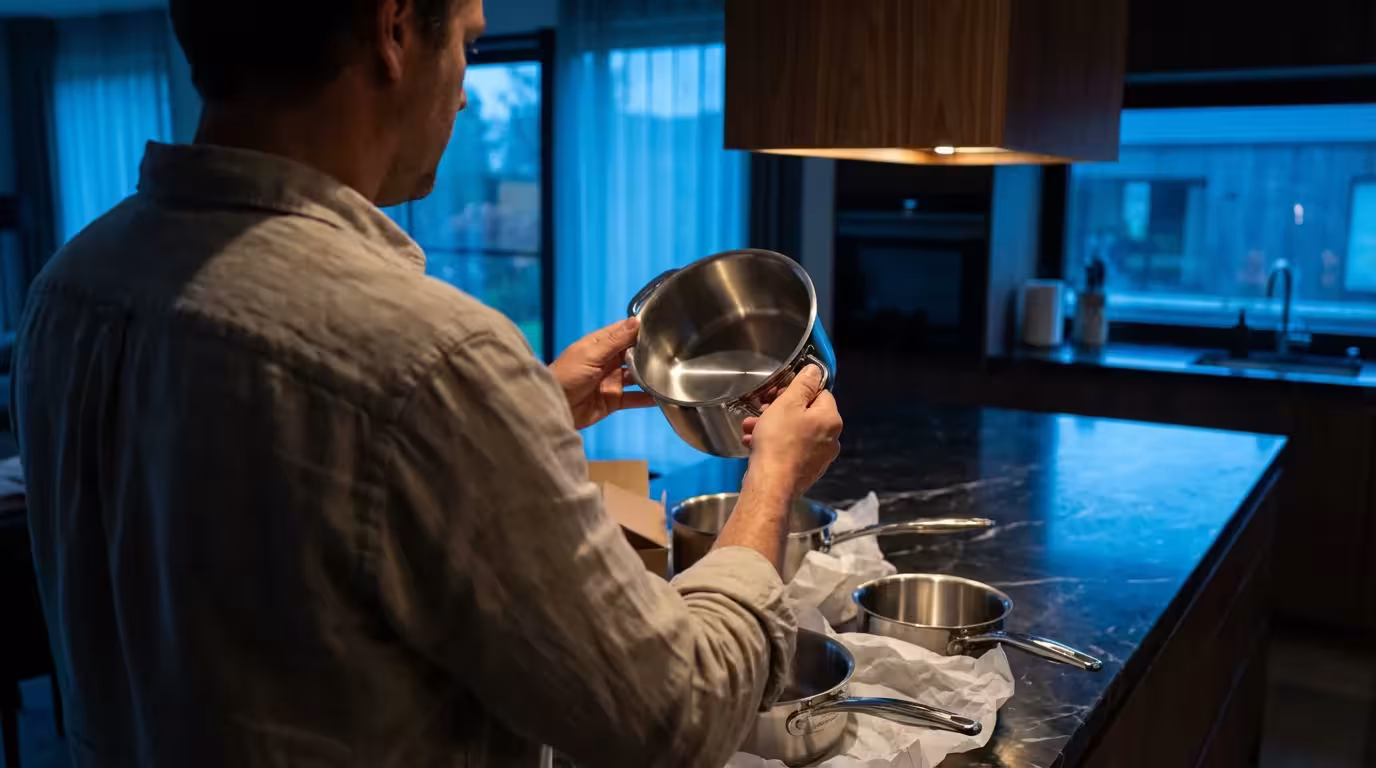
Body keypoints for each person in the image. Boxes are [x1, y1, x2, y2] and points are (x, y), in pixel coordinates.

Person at [11, 0, 844, 766]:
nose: (467, 96)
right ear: (395, 29)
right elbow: (672, 713)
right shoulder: (431, 357)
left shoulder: (66, 289)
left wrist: (526, 415)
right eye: (471, 45)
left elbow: (270, 524)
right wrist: (771, 479)